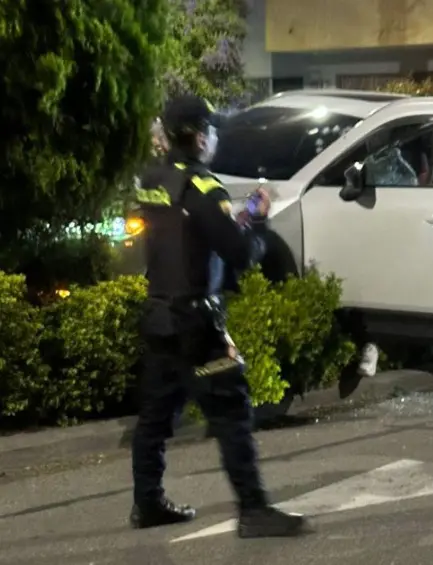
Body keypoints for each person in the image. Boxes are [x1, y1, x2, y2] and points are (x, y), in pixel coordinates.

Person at [130, 94, 309, 538]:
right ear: (197, 135)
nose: (214, 137)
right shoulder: (205, 188)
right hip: (199, 328)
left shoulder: (151, 180)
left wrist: (238, 215)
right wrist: (260, 224)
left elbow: (191, 230)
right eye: (210, 129)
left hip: (159, 318)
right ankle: (253, 510)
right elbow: (238, 253)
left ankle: (147, 503)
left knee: (154, 417)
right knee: (231, 411)